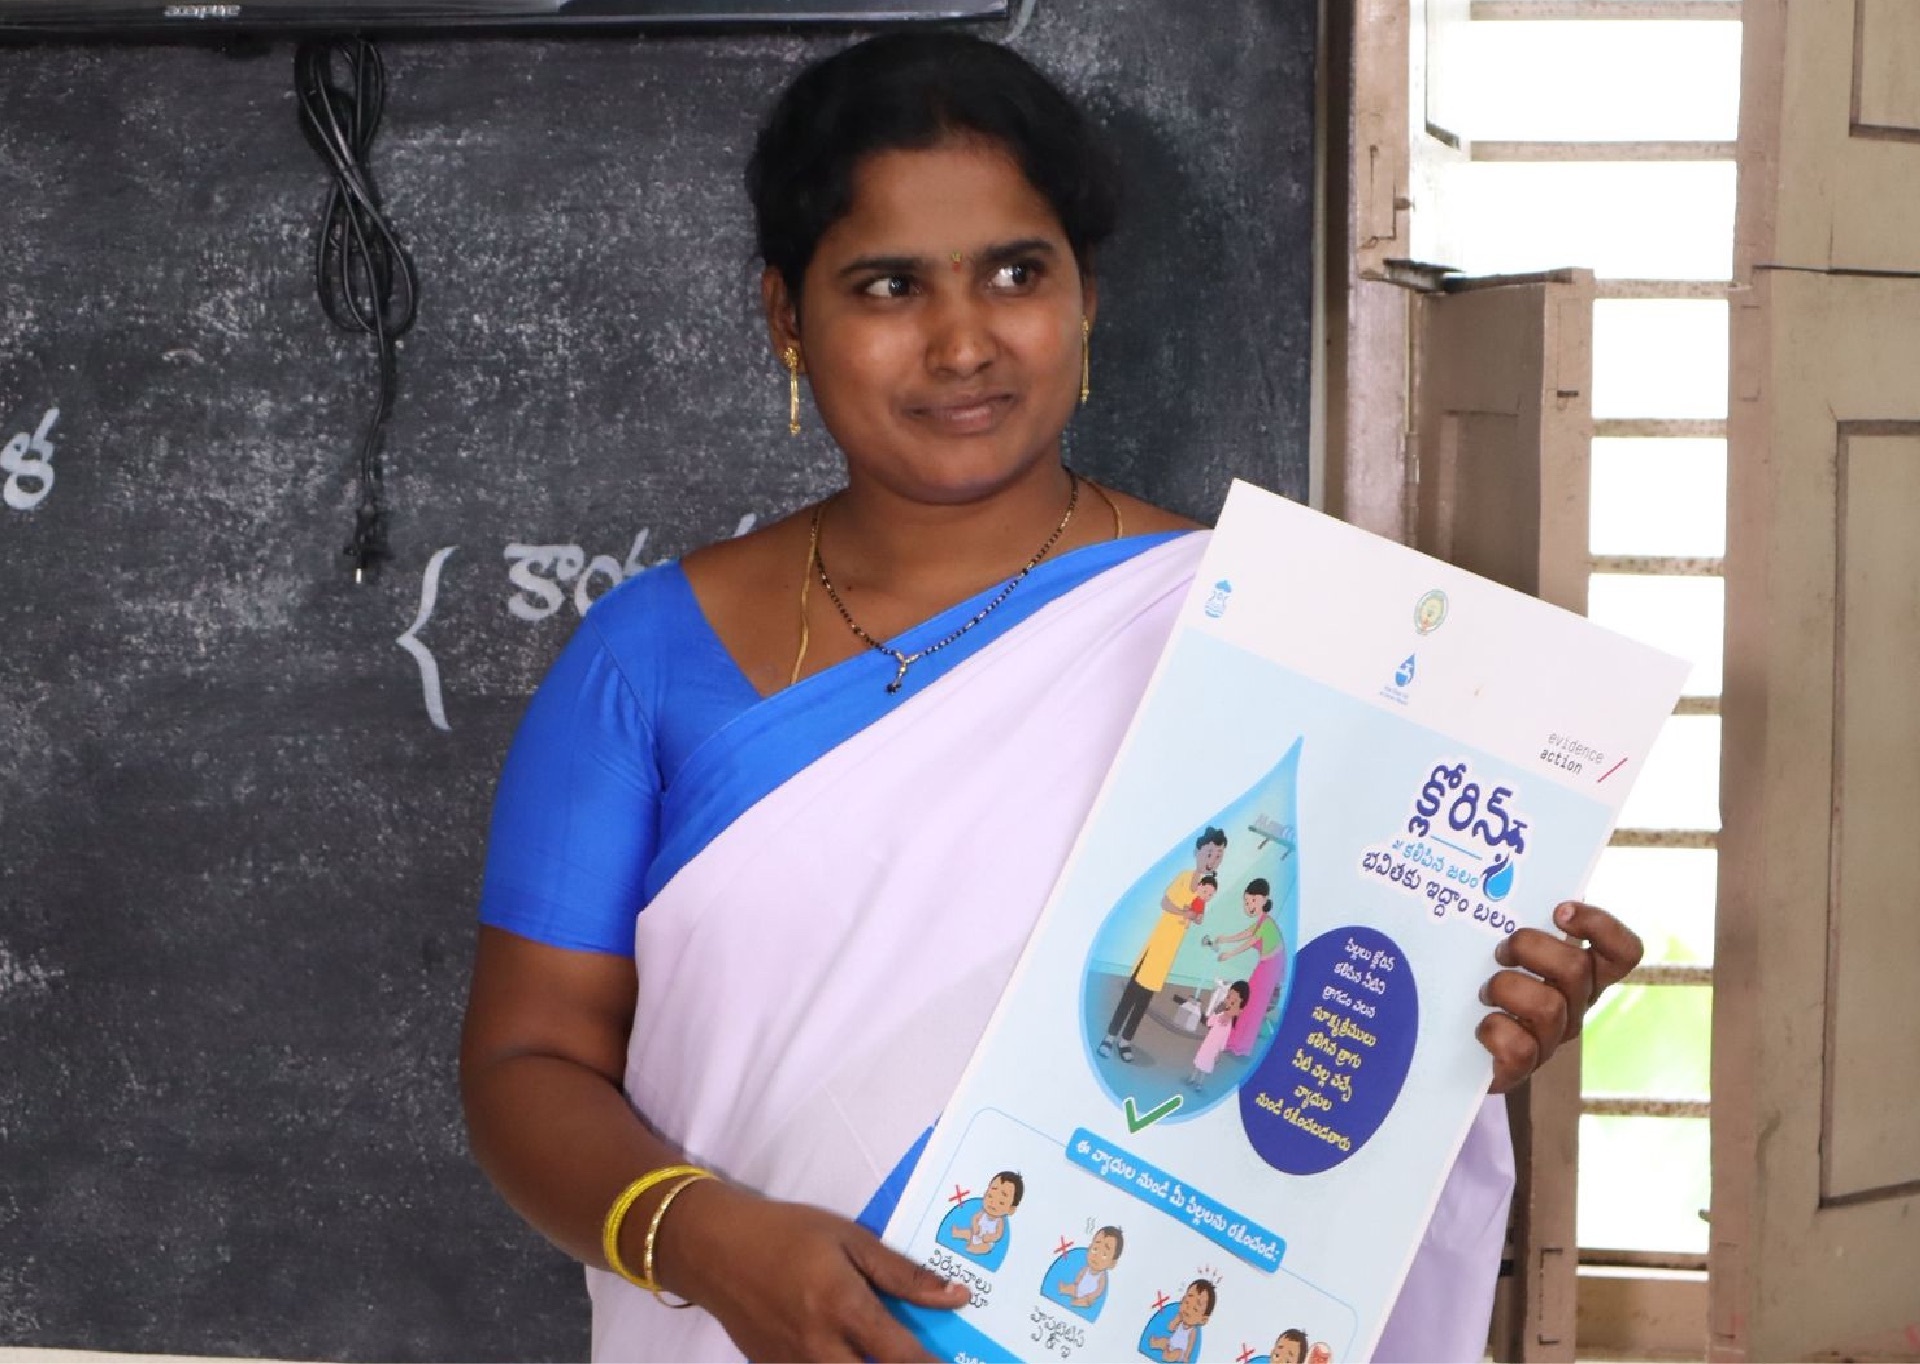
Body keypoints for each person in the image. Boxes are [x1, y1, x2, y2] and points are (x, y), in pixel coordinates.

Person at [458, 29, 1646, 1364]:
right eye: (889, 285)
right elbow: (527, 1064)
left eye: (1016, 273)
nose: (963, 343)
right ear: (787, 316)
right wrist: (705, 1238)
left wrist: (1462, 1018)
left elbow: (1291, 1053)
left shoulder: (1264, 644)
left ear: (1086, 298)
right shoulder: (646, 660)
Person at [1099, 829, 1225, 1062]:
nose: (1212, 860)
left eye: (1218, 856)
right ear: (1198, 852)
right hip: (1156, 946)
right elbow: (1165, 902)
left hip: (1168, 953)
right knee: (1132, 993)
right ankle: (1110, 1036)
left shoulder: (1205, 890)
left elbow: (1198, 916)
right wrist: (1184, 912)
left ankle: (1126, 1040)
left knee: (1146, 998)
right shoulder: (1184, 877)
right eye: (1209, 854)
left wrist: (1196, 916)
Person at [1212, 876, 1285, 1057]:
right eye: (1246, 901)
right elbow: (1246, 933)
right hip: (1266, 966)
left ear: (1264, 900)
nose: (1249, 905)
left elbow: (1251, 941)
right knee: (1249, 1004)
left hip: (1270, 968)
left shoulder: (1267, 924)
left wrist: (1229, 953)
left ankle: (1241, 1045)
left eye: (1253, 900)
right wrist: (1226, 939)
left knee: (1254, 1006)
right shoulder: (1262, 921)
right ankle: (1236, 1041)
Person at [1186, 978, 1248, 1087]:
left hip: (1212, 1045)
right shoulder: (1223, 1018)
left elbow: (1212, 1025)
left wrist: (1219, 1051)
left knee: (1204, 1063)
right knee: (1202, 1062)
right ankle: (1195, 1080)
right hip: (1210, 1043)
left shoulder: (1226, 1021)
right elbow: (1210, 1023)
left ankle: (1197, 1081)